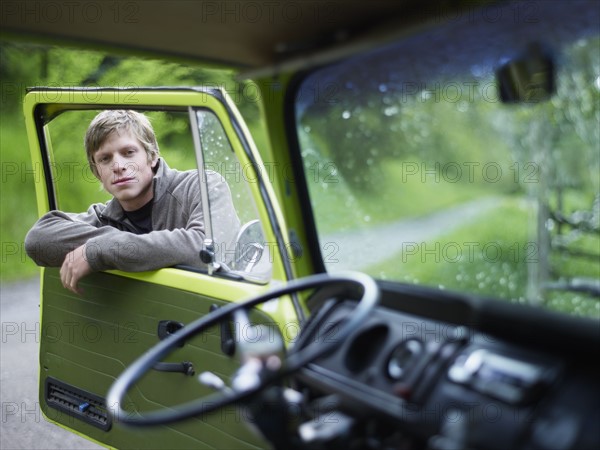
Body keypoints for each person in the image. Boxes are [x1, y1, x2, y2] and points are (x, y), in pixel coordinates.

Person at [25, 110, 241, 294]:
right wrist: (127, 248)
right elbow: (38, 239)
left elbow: (205, 249)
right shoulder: (105, 217)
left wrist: (100, 249)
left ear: (152, 155)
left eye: (128, 153)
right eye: (105, 159)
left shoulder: (201, 185)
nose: (118, 165)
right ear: (97, 171)